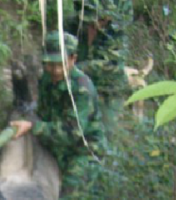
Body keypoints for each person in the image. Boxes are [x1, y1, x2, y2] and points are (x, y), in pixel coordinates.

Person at [10, 31, 107, 188]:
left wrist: (34, 127)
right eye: (50, 64)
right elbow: (43, 111)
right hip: (56, 145)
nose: (55, 70)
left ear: (73, 59)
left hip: (82, 152)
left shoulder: (82, 89)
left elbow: (72, 133)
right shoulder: (47, 80)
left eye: (60, 64)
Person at [68, 0, 134, 134]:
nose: (96, 24)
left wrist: (74, 68)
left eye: (101, 19)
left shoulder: (116, 32)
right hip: (75, 86)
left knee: (101, 136)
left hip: (107, 91)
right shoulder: (71, 24)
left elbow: (111, 65)